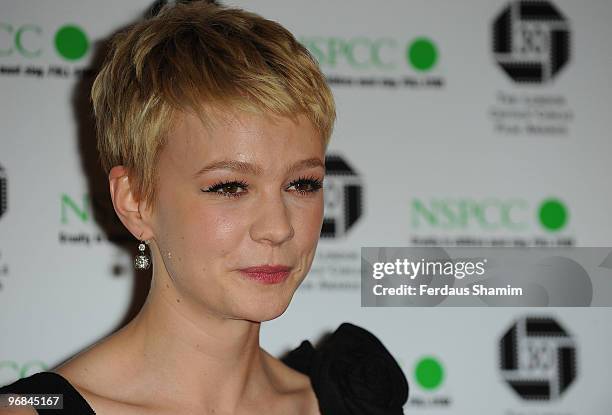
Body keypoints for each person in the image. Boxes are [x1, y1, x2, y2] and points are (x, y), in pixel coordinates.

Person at [0, 1, 408, 414]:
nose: (278, 227)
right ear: (135, 200)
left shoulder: (346, 404)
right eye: (230, 187)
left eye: (302, 183)